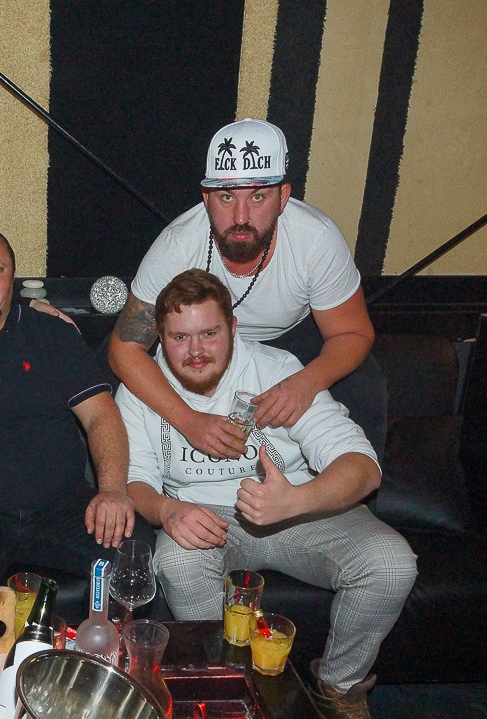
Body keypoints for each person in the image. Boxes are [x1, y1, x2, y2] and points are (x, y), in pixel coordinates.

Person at [115, 269, 416, 719]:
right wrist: (168, 511)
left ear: (233, 328)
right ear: (160, 338)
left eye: (209, 333)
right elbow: (135, 483)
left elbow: (361, 466)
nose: (195, 351)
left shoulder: (275, 369)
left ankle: (337, 689)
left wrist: (297, 499)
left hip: (298, 504)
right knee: (176, 560)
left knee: (391, 562)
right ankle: (222, 692)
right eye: (179, 337)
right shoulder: (142, 385)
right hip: (206, 514)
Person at [108, 118, 387, 463]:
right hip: (200, 336)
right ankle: (126, 491)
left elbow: (353, 333)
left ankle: (352, 490)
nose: (241, 217)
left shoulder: (315, 239)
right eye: (227, 197)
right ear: (206, 198)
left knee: (364, 385)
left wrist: (306, 383)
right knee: (105, 381)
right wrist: (188, 421)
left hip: (293, 336)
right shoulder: (177, 245)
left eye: (258, 196)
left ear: (283, 197)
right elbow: (124, 350)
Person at [0, 225, 137, 620]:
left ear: (12, 280)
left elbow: (101, 414)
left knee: (131, 568)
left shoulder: (51, 334)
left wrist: (113, 490)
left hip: (61, 508)